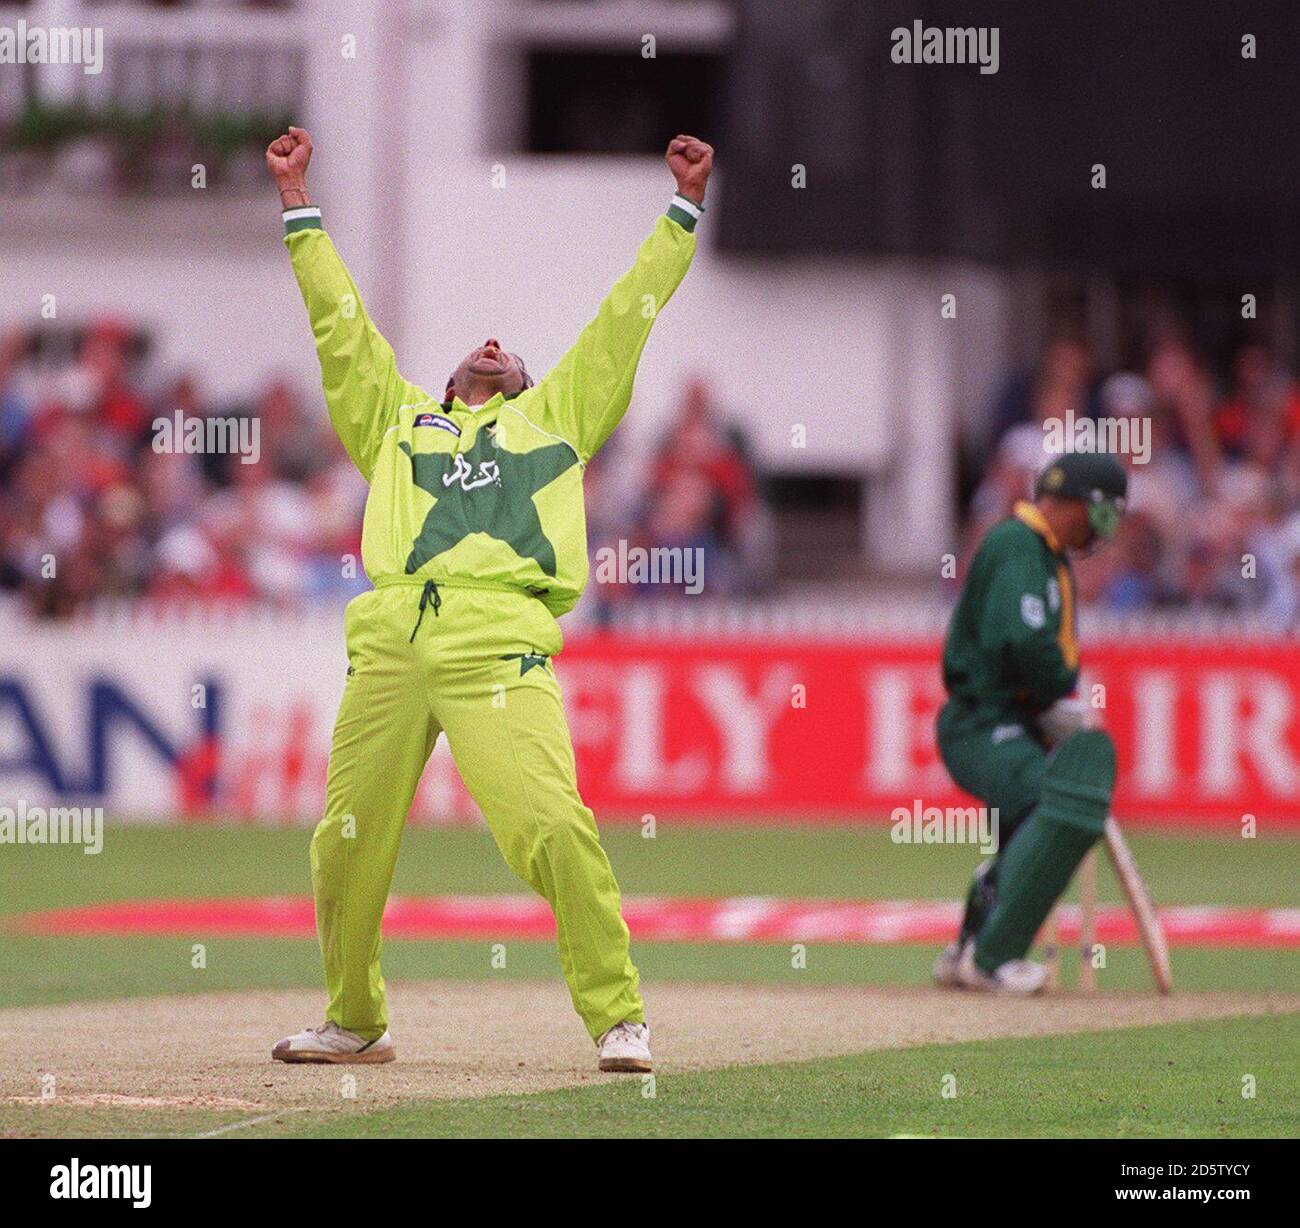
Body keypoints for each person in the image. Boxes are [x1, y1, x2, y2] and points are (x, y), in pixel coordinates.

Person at [264, 126, 712, 1070]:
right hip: (389, 643)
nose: (495, 347)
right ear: (447, 379)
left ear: (531, 385)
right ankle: (355, 1019)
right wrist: (299, 203)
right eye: (481, 346)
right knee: (343, 842)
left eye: (512, 353)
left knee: (550, 826)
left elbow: (624, 320)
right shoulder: (397, 423)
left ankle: (617, 1016)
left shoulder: (557, 420)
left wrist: (682, 212)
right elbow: (340, 330)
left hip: (497, 647)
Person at [933, 451, 1127, 993]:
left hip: (1011, 719)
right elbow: (1021, 641)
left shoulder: (1045, 554)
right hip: (981, 720)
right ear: (1074, 504)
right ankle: (993, 958)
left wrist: (1052, 706)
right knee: (1055, 803)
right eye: (1102, 513)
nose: (1101, 529)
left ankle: (968, 946)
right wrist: (1057, 701)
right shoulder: (1017, 544)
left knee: (1025, 826)